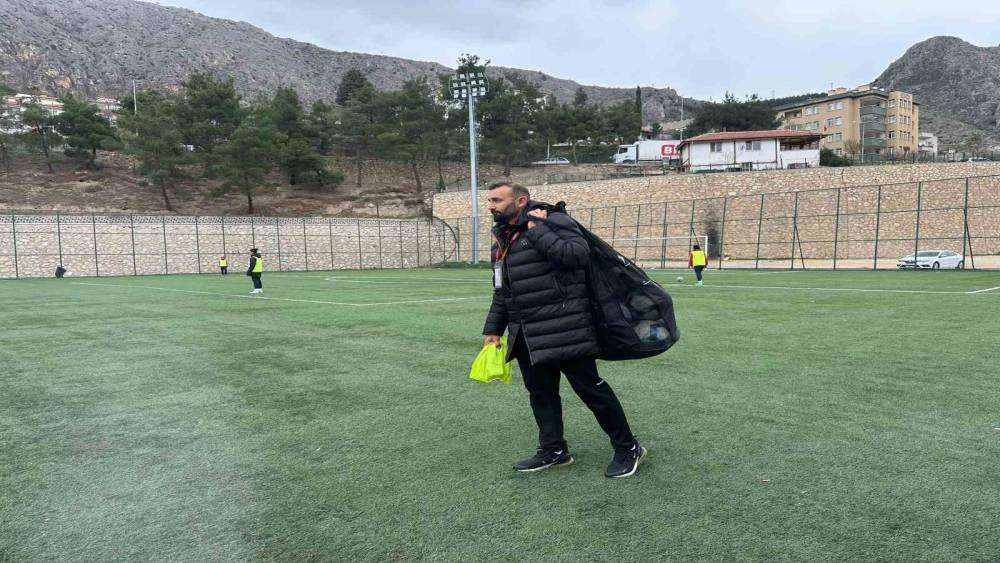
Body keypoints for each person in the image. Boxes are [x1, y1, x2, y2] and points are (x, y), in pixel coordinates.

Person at [482, 181, 646, 478]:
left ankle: (628, 447)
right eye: (489, 200)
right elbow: (502, 290)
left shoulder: (553, 219)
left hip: (566, 326)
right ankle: (554, 450)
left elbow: (577, 256)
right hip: (527, 334)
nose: (491, 205)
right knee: (541, 394)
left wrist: (539, 230)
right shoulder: (502, 238)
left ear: (520, 201)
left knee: (591, 390)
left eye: (496, 199)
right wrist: (493, 329)